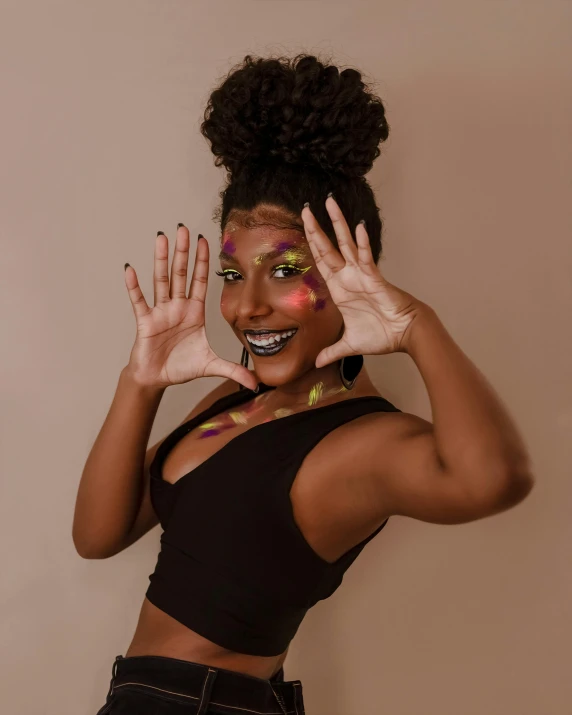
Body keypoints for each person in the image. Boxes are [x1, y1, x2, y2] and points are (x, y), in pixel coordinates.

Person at [74, 53, 535, 715]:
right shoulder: (235, 399)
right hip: (142, 697)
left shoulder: (363, 440)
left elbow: (495, 476)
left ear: (354, 270)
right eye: (233, 275)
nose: (247, 305)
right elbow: (97, 534)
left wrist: (417, 325)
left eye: (285, 269)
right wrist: (140, 381)